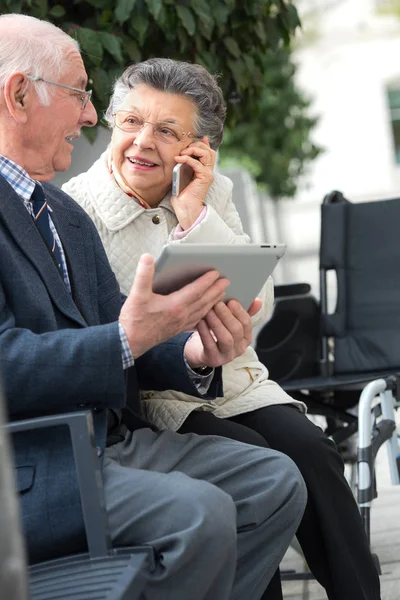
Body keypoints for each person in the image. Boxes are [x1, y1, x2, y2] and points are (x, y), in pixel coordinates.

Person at [0, 13, 308, 600]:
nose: (91, 117)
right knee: (202, 514)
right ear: (19, 94)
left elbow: (120, 319)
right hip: (34, 467)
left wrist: (192, 352)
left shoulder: (57, 214)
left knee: (275, 479)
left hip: (108, 442)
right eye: (80, 96)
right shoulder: (72, 205)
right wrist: (124, 339)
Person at [63, 58, 381, 600]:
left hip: (237, 381)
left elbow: (259, 305)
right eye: (131, 122)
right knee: (257, 466)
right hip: (156, 396)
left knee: (313, 452)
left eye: (167, 131)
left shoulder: (210, 191)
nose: (142, 142)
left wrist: (193, 213)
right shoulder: (77, 211)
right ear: (111, 122)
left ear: (199, 147)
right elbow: (101, 332)